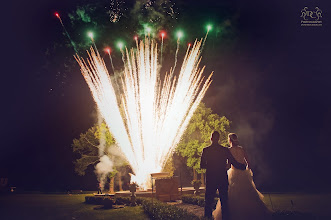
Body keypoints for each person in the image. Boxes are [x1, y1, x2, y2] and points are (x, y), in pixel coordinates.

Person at [213, 133, 272, 220]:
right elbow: (248, 162)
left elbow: (229, 164)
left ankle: (232, 215)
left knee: (231, 194)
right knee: (248, 192)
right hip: (243, 173)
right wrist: (246, 170)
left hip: (233, 173)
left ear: (230, 140)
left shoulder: (228, 150)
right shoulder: (241, 149)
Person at [200, 131, 246, 219]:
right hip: (222, 178)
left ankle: (207, 217)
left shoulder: (206, 150)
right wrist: (242, 166)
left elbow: (202, 165)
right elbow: (233, 162)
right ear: (219, 139)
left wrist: (211, 166)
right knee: (224, 201)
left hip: (211, 178)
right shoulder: (224, 150)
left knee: (208, 201)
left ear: (211, 138)